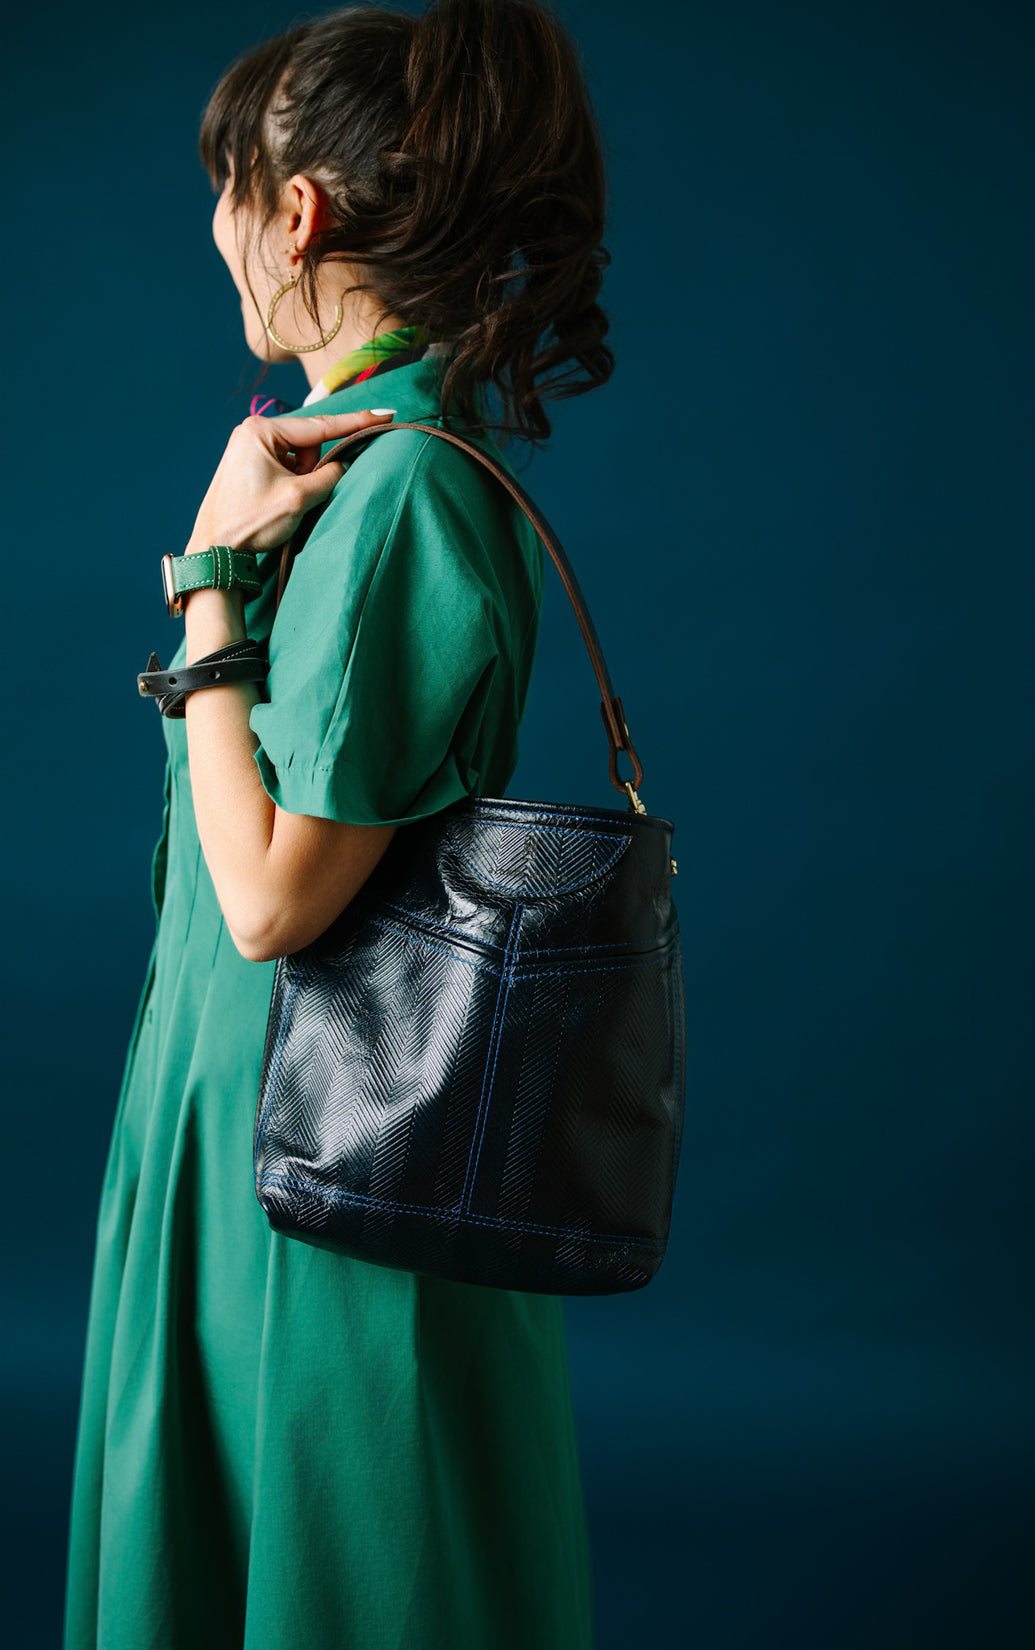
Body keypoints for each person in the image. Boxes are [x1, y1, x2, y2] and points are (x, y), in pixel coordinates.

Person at [62, 2, 614, 1645]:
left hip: (324, 1154)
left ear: (295, 211)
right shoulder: (349, 463)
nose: (219, 229)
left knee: (338, 1568)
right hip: (254, 1123)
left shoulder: (400, 490)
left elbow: (271, 901)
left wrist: (208, 585)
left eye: (231, 189)